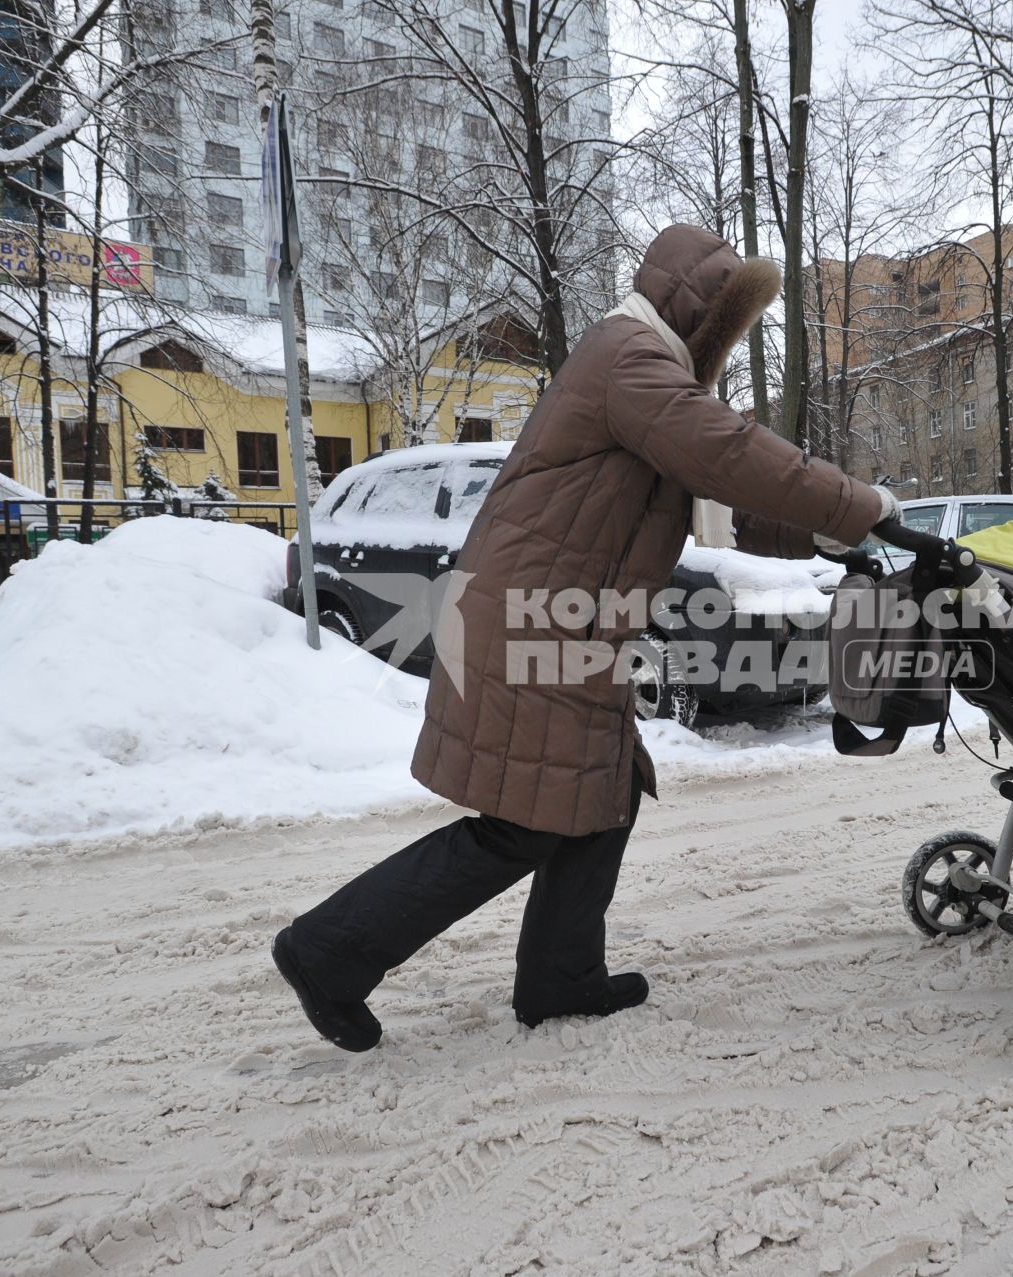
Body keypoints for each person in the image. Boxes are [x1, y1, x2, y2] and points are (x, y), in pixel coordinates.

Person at [272, 225, 897, 1052]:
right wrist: (861, 501)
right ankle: (328, 952)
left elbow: (735, 504)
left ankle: (560, 977)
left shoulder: (646, 379)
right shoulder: (629, 359)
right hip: (537, 618)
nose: (730, 346)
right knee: (524, 821)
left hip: (562, 621)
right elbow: (728, 451)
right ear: (700, 313)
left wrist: (832, 533)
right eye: (729, 328)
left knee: (604, 789)